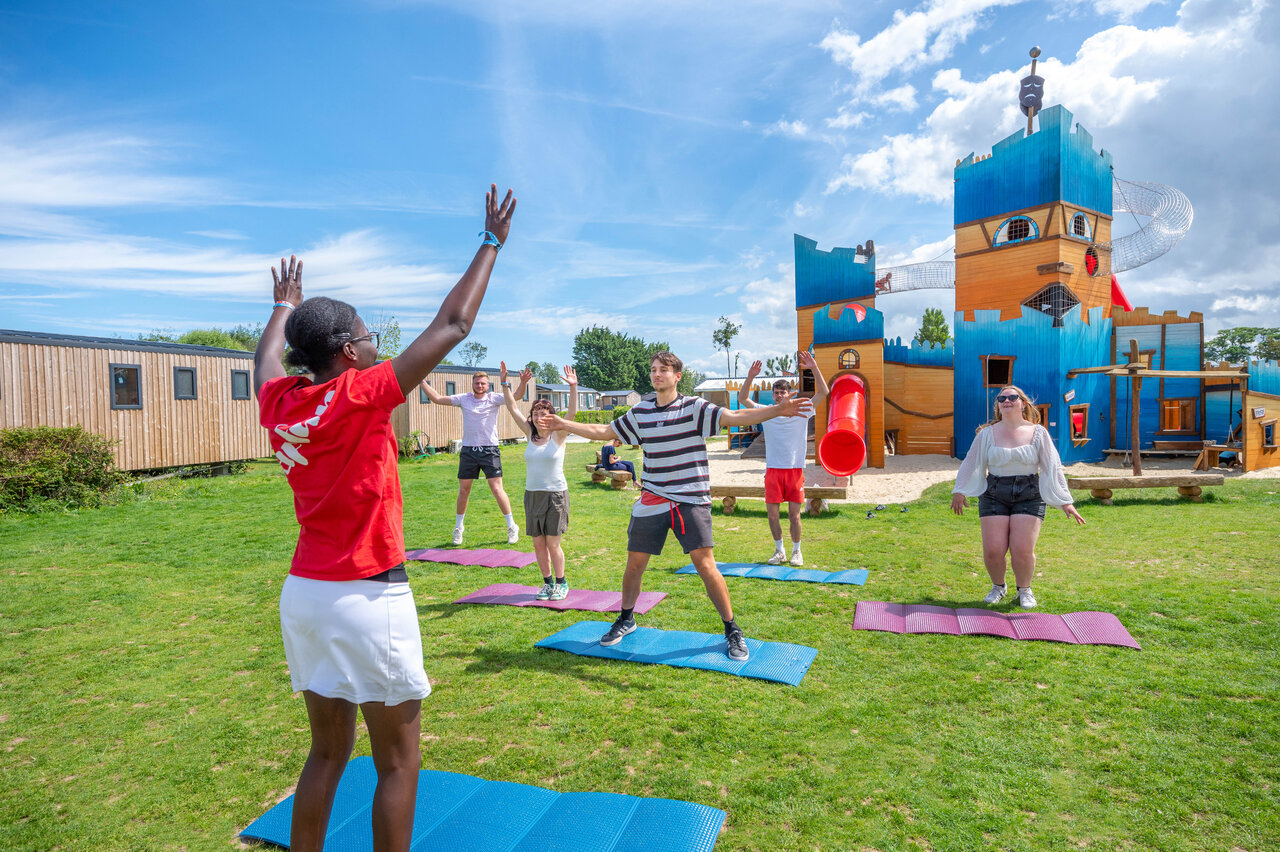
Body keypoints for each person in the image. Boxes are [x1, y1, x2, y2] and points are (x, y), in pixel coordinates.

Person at [253, 184, 516, 852]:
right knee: (398, 761)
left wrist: (282, 308)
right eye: (370, 338)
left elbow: (264, 362)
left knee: (326, 754)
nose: (377, 347)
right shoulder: (360, 394)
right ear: (347, 350)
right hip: (369, 593)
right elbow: (453, 326)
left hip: (305, 595)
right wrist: (490, 244)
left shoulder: (281, 402)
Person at [536, 351, 813, 661]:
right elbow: (605, 432)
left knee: (706, 565)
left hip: (690, 498)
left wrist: (777, 409)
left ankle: (732, 629)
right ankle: (626, 619)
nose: (657, 374)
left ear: (677, 375)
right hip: (652, 498)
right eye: (653, 369)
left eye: (663, 370)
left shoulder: (694, 407)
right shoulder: (640, 412)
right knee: (634, 565)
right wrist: (563, 423)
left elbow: (735, 417)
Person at [951, 385, 1086, 609]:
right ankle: (998, 587)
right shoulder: (986, 434)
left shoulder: (1038, 432)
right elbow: (971, 461)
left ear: (1023, 403)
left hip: (1029, 494)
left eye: (1013, 397)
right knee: (994, 550)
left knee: (1021, 550)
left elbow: (1053, 466)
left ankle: (1024, 590)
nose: (1007, 400)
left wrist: (1065, 501)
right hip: (994, 493)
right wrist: (960, 489)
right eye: (1002, 397)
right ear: (998, 405)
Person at [736, 351, 829, 566]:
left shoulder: (803, 409)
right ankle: (780, 551)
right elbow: (742, 399)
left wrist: (813, 367)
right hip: (773, 470)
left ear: (790, 394)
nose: (779, 396)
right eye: (776, 392)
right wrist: (750, 376)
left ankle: (797, 552)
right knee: (772, 516)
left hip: (794, 470)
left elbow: (824, 391)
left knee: (795, 516)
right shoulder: (766, 411)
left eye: (782, 392)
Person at [498, 361, 576, 601]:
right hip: (532, 495)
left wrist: (573, 387)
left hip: (555, 495)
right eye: (536, 414)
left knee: (553, 544)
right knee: (538, 545)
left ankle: (562, 583)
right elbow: (512, 407)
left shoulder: (558, 434)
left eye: (544, 414)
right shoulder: (529, 433)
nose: (539, 417)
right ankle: (547, 583)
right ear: (531, 417)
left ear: (551, 416)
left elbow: (571, 413)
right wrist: (505, 383)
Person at [420, 370, 519, 546]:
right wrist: (421, 381)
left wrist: (523, 382)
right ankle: (459, 529)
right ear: (472, 384)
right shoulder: (464, 399)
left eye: (483, 383)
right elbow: (437, 398)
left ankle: (512, 526)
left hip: (489, 450)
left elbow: (516, 396)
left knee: (497, 489)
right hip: (469, 451)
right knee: (464, 490)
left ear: (488, 386)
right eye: (477, 383)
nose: (480, 386)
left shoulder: (494, 398)